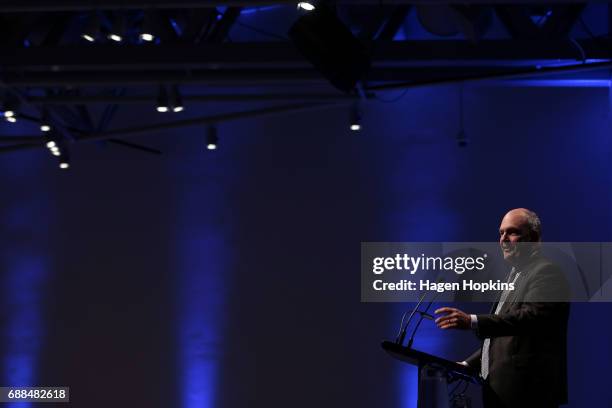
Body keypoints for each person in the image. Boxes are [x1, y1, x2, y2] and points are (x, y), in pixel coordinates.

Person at [434, 208, 570, 408]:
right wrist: (466, 365)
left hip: (528, 394)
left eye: (512, 232)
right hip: (500, 393)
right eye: (501, 233)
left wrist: (472, 321)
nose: (503, 239)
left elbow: (529, 319)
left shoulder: (547, 273)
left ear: (533, 238)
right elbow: (502, 339)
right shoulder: (514, 276)